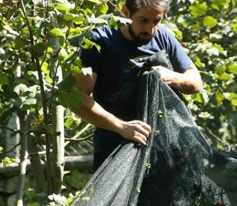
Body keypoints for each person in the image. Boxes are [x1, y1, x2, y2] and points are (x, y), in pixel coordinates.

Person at [72, 0, 203, 170]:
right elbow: (77, 97)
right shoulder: (99, 41)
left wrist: (171, 77)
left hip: (163, 151)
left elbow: (196, 82)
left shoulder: (164, 37)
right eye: (143, 20)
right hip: (114, 150)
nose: (150, 29)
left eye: (156, 21)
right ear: (126, 12)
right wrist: (121, 127)